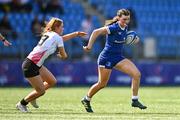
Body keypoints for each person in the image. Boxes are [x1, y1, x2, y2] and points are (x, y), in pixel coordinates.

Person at [81, 9, 147, 113]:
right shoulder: (113, 27)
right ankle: (86, 99)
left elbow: (126, 39)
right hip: (106, 58)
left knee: (136, 74)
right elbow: (95, 32)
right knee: (102, 84)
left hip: (118, 57)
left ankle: (135, 100)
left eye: (128, 19)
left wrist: (135, 39)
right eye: (124, 19)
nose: (126, 21)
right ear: (119, 18)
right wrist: (89, 46)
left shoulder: (125, 27)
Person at [16, 17, 87, 112]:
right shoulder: (56, 37)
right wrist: (61, 56)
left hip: (34, 63)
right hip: (30, 65)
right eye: (62, 27)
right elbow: (64, 55)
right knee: (41, 91)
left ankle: (32, 97)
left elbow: (61, 39)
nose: (63, 29)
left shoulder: (49, 34)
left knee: (52, 81)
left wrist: (76, 34)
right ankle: (22, 104)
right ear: (56, 27)